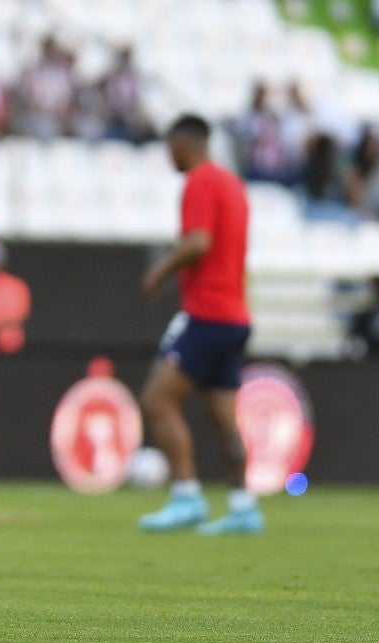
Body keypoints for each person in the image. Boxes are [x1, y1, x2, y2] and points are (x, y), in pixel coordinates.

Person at [138, 114, 262, 535]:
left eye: (169, 146)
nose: (168, 154)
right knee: (224, 418)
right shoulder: (233, 185)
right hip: (235, 316)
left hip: (207, 313)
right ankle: (244, 506)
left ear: (183, 142)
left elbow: (198, 242)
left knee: (157, 399)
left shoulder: (200, 182)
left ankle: (186, 495)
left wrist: (159, 272)